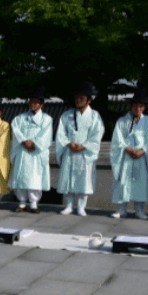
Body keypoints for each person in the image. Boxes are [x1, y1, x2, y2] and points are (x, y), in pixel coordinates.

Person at [56, 81, 104, 216]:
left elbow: (97, 134)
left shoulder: (95, 116)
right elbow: (60, 133)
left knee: (84, 180)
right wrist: (68, 143)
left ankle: (81, 206)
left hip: (85, 152)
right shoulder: (67, 115)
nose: (78, 100)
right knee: (68, 178)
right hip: (70, 150)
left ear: (89, 100)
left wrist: (84, 145)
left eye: (81, 98)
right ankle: (69, 205)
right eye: (77, 97)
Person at [110, 87, 148, 219]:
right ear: (131, 106)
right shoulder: (122, 121)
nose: (137, 108)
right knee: (123, 181)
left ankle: (139, 210)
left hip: (141, 157)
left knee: (140, 182)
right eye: (135, 105)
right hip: (126, 156)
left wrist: (143, 151)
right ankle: (121, 209)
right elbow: (117, 140)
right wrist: (128, 149)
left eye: (140, 106)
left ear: (144, 107)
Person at [8, 86, 52, 213]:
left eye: (36, 102)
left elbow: (45, 135)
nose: (33, 104)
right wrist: (23, 141)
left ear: (42, 105)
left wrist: (34, 143)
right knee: (21, 176)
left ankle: (33, 203)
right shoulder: (20, 118)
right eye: (31, 101)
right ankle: (21, 202)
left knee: (35, 177)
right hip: (22, 151)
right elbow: (15, 128)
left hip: (36, 152)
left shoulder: (47, 119)